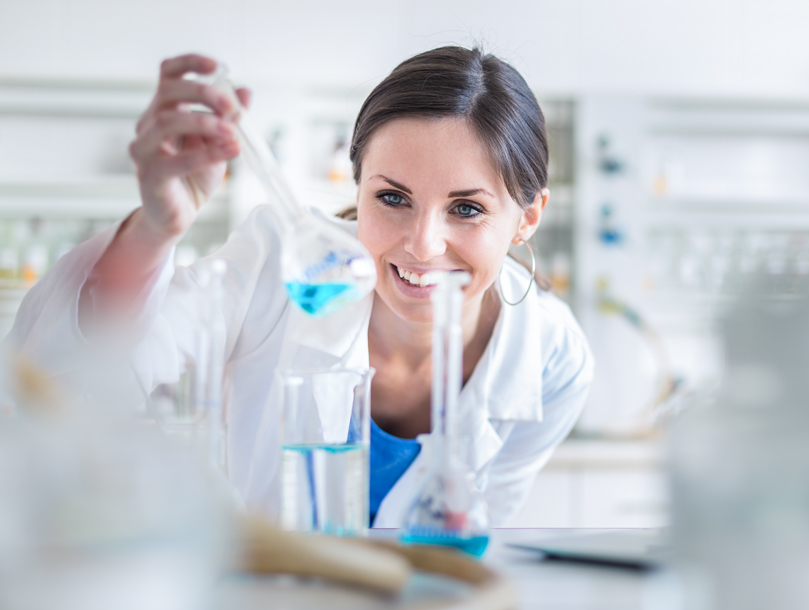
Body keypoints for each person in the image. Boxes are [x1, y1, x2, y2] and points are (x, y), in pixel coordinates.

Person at [5, 47, 594, 527]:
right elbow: (68, 380)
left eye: (466, 209)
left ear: (528, 217)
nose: (422, 244)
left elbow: (468, 536)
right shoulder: (278, 264)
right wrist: (156, 230)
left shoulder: (552, 361)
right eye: (392, 198)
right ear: (357, 186)